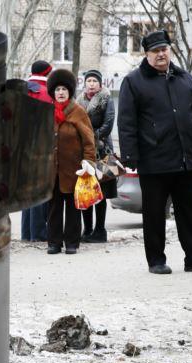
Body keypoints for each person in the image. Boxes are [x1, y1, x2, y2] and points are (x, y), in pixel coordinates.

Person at [117, 30, 192, 274]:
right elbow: (126, 121)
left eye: (164, 49)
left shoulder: (184, 78)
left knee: (190, 213)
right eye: (156, 51)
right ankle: (156, 261)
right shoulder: (133, 81)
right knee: (154, 215)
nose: (161, 54)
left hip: (185, 159)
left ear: (169, 50)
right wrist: (130, 156)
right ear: (147, 54)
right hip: (154, 161)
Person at [45, 69, 96, 255]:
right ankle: (54, 243)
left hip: (74, 170)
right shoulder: (47, 112)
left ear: (69, 92)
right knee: (53, 208)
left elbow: (89, 141)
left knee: (74, 208)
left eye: (64, 89)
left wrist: (89, 162)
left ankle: (72, 243)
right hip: (53, 170)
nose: (60, 92)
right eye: (57, 89)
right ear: (52, 92)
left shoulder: (78, 112)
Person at [77, 69, 116, 243]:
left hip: (103, 149)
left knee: (102, 190)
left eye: (94, 80)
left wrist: (92, 137)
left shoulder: (106, 98)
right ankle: (88, 229)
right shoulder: (79, 101)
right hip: (84, 151)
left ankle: (100, 230)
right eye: (89, 80)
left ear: (100, 84)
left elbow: (108, 124)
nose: (91, 83)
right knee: (86, 188)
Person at [21, 60, 53, 242]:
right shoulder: (48, 93)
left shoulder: (22, 90)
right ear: (47, 73)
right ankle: (39, 234)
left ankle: (27, 233)